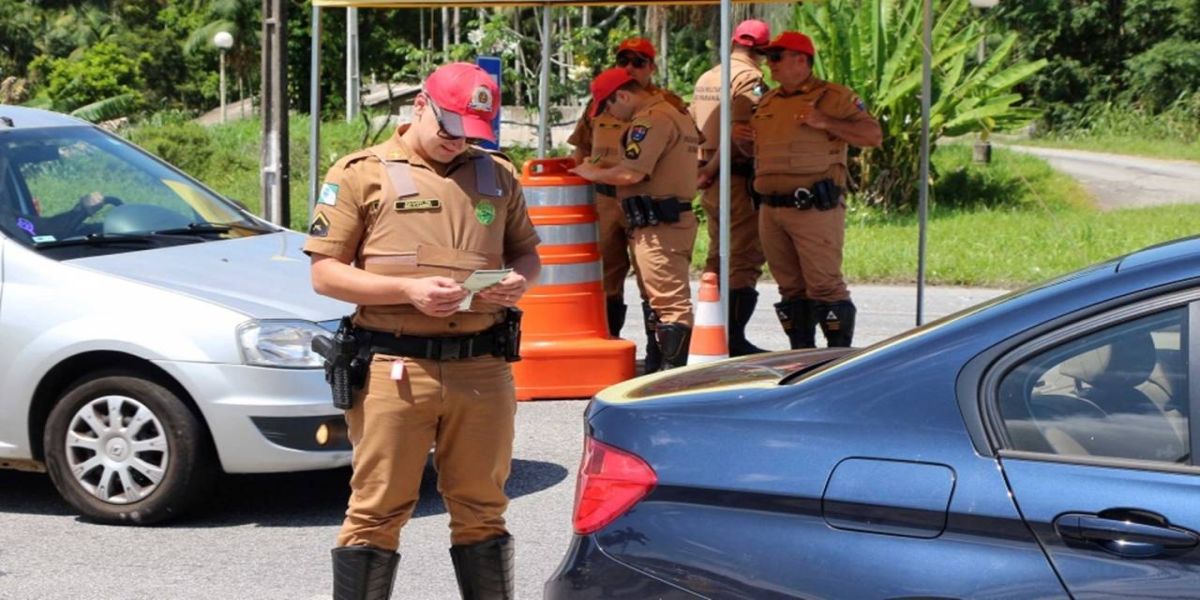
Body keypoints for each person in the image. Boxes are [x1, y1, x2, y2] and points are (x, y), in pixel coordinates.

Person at [305, 62, 541, 600]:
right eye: (449, 129)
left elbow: (527, 252)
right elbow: (323, 274)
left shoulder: (497, 174)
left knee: (483, 510)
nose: (458, 143)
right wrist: (407, 292)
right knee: (377, 511)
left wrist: (517, 282)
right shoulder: (361, 172)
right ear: (419, 106)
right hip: (395, 367)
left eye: (471, 134)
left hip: (482, 365)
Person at [745, 32, 882, 348]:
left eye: (777, 57)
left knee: (825, 287)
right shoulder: (767, 101)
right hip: (771, 210)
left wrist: (826, 122)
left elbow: (872, 135)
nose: (770, 64)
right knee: (790, 289)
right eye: (768, 57)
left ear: (801, 60)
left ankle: (836, 360)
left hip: (813, 209)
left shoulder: (834, 98)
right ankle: (801, 356)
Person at [567, 36, 689, 372]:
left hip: (648, 204)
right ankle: (608, 347)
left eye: (638, 62)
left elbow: (673, 159)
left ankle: (659, 361)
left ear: (651, 66)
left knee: (657, 287)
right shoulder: (604, 102)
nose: (630, 67)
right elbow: (581, 148)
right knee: (608, 278)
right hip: (608, 204)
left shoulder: (665, 109)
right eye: (624, 61)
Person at [691, 19, 771, 356]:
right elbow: (739, 132)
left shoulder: (708, 76)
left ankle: (713, 329)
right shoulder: (750, 79)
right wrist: (714, 167)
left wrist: (703, 168)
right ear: (763, 51)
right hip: (733, 177)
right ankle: (733, 338)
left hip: (709, 178)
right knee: (743, 257)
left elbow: (696, 125)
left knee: (716, 253)